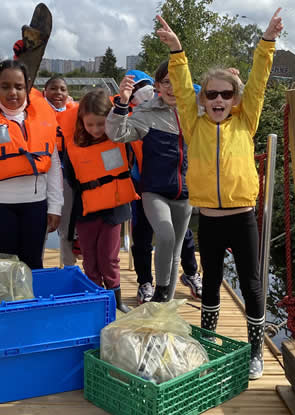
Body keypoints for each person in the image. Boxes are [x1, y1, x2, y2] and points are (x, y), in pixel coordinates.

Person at [157, 9, 284, 379]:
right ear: (203, 98)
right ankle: (209, 346)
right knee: (210, 283)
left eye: (225, 94)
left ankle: (255, 351)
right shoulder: (194, 124)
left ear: (234, 98)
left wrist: (268, 42)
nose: (217, 99)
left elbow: (259, 82)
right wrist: (178, 52)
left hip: (243, 218)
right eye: (211, 94)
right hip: (209, 221)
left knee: (251, 284)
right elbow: (181, 89)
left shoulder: (246, 121)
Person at [106, 61, 192, 304]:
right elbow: (116, 133)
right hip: (155, 191)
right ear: (157, 86)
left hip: (186, 192)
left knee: (175, 252)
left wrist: (233, 82)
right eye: (166, 82)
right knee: (165, 235)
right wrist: (122, 103)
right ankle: (159, 293)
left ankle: (166, 307)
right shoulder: (147, 111)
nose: (173, 87)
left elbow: (227, 107)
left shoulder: (195, 110)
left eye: (177, 81)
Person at [0, 60, 63, 270]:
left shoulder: (43, 121)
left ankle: (32, 303)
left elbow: (54, 164)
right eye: (5, 86)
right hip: (0, 209)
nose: (13, 92)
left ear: (27, 88)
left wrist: (55, 206)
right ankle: (9, 303)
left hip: (36, 205)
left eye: (19, 87)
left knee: (33, 264)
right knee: (5, 268)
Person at [63, 89, 138, 313]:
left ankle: (116, 301)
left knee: (109, 258)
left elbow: (130, 164)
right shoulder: (73, 146)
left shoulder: (120, 140)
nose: (96, 129)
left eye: (101, 124)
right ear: (81, 122)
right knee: (90, 260)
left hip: (114, 209)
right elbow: (71, 177)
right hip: (87, 209)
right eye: (90, 125)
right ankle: (95, 301)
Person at [43, 75, 80, 266]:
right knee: (41, 224)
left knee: (67, 225)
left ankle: (69, 267)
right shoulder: (34, 112)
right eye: (53, 88)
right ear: (44, 92)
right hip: (42, 175)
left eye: (63, 89)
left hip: (68, 175)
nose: (58, 93)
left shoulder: (75, 112)